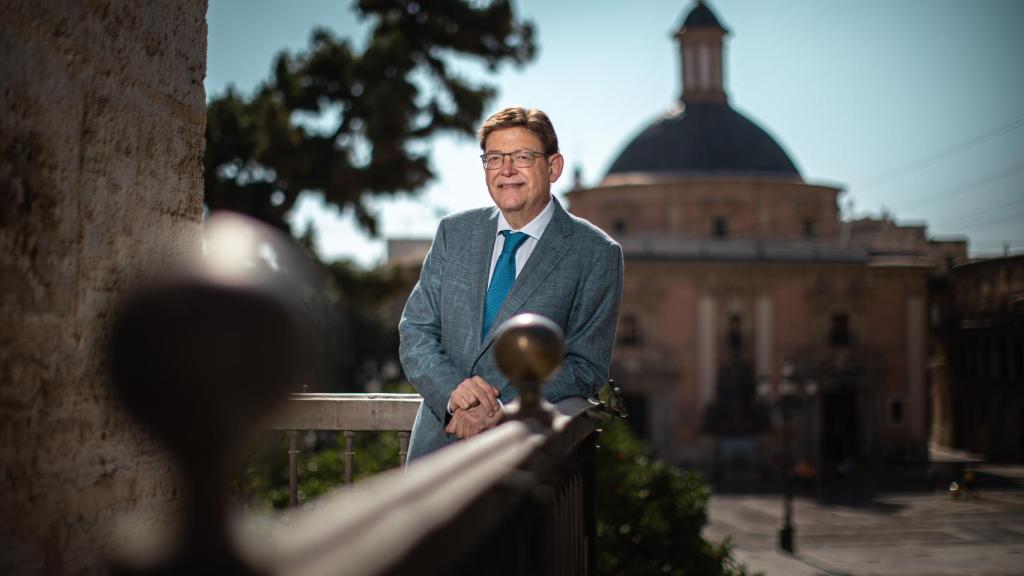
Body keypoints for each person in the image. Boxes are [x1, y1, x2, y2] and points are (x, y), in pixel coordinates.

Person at [399, 106, 624, 461]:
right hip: (435, 450)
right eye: (494, 158)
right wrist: (454, 392)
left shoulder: (596, 253)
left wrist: (504, 408)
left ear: (553, 167)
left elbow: (585, 366)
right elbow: (415, 331)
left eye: (522, 157)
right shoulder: (454, 233)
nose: (506, 170)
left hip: (521, 458)